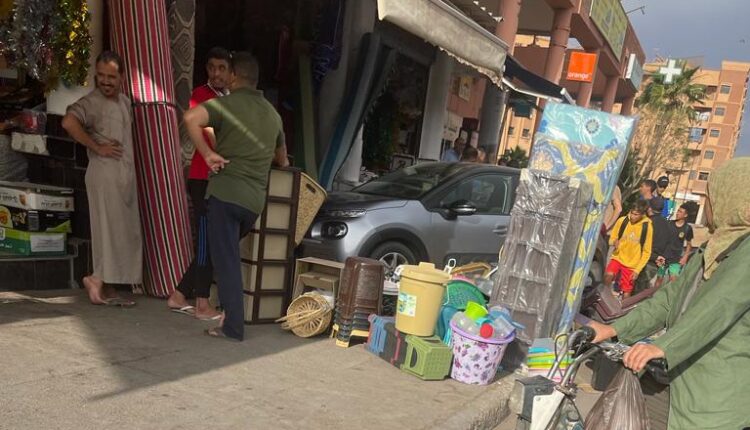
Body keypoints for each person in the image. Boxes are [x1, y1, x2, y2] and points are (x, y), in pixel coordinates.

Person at [588, 157, 750, 430]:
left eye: (711, 198)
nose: (708, 206)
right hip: (676, 379)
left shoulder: (745, 252)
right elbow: (668, 299)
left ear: (731, 197)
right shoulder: (711, 249)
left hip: (713, 400)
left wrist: (663, 346)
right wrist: (614, 329)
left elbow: (718, 305)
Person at [184, 52, 288, 341]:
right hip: (253, 202)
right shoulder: (273, 115)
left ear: (233, 76)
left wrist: (208, 154)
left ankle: (233, 326)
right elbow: (282, 159)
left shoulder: (226, 105)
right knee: (227, 255)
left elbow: (191, 117)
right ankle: (226, 315)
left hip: (225, 194)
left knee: (226, 260)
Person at [62, 51, 141, 307]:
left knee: (121, 232)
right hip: (104, 175)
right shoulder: (92, 101)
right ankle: (95, 279)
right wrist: (97, 147)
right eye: (101, 76)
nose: (106, 81)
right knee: (106, 231)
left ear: (122, 77)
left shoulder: (125, 102)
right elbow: (68, 122)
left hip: (123, 176)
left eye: (111, 76)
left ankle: (107, 286)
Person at [167, 47, 232, 320]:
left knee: (213, 242)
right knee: (206, 241)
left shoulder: (231, 98)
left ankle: (179, 294)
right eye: (212, 67)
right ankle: (202, 304)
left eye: (221, 68)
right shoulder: (201, 95)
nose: (216, 73)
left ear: (231, 72)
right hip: (202, 178)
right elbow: (210, 132)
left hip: (221, 179)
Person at [605, 199, 653, 299]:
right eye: (632, 213)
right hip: (618, 257)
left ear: (642, 214)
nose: (632, 216)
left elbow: (646, 252)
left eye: (636, 215)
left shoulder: (647, 227)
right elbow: (612, 238)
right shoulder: (622, 221)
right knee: (608, 276)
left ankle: (624, 307)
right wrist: (614, 242)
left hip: (632, 264)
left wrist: (637, 270)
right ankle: (602, 299)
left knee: (626, 291)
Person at [636, 198, 683, 291]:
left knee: (635, 288)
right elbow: (669, 244)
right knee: (643, 289)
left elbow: (640, 242)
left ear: (649, 208)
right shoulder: (668, 225)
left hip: (642, 260)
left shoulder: (647, 222)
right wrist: (661, 258)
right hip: (655, 263)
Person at [673, 203, 694, 267]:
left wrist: (685, 257)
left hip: (676, 259)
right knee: (660, 274)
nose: (677, 213)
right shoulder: (669, 224)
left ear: (685, 215)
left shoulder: (687, 228)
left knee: (673, 273)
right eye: (678, 211)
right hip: (664, 257)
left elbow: (689, 244)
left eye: (680, 212)